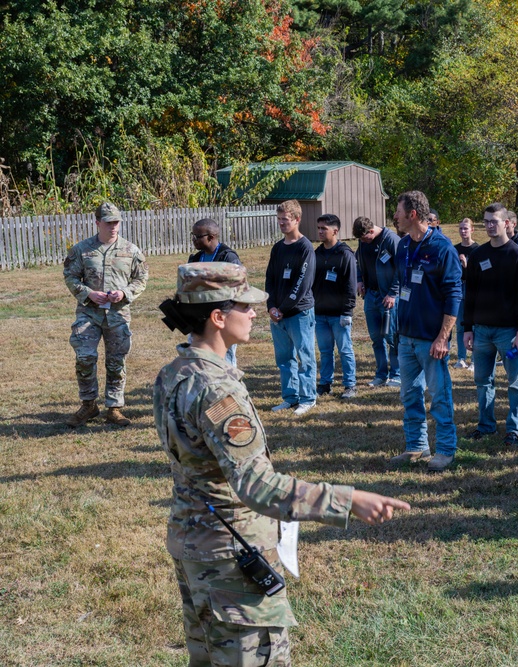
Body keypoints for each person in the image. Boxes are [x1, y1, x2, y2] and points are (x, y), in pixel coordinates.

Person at [154, 262, 410, 665]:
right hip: (230, 555)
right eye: (245, 306)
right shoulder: (217, 390)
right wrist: (348, 500)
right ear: (218, 318)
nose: (254, 313)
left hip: (194, 544)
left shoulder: (175, 372)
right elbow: (257, 485)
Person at [388, 191, 463, 472]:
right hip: (406, 336)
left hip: (432, 340)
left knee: (439, 397)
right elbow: (404, 286)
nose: (395, 216)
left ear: (412, 214)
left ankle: (445, 450)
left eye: (398, 211)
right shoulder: (404, 245)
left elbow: (454, 295)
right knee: (409, 396)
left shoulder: (443, 248)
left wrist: (443, 338)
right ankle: (416, 446)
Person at [63, 202, 148, 427]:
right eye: (108, 222)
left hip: (118, 315)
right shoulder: (82, 249)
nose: (113, 227)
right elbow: (70, 276)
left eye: (116, 222)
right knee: (84, 357)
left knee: (116, 361)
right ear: (98, 222)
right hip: (89, 313)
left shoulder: (131, 250)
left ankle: (114, 408)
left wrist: (124, 293)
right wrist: (89, 293)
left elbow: (141, 278)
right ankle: (88, 405)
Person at [463, 203, 518, 446]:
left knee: (516, 382)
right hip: (482, 331)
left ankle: (514, 429)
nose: (490, 225)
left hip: (509, 333)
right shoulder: (478, 255)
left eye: (494, 221)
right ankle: (486, 426)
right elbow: (470, 295)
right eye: (486, 221)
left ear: (507, 223)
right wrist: (468, 328)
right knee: (483, 381)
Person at [265, 200, 317, 416]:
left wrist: (284, 308)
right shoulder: (278, 248)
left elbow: (302, 283)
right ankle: (290, 397)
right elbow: (270, 278)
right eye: (279, 219)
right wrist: (271, 306)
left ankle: (308, 398)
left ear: (297, 219)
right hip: (277, 314)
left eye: (285, 219)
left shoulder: (305, 247)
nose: (281, 223)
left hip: (299, 313)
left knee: (305, 357)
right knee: (284, 359)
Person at [313, 214, 358, 400]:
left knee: (345, 350)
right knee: (325, 351)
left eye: (324, 228)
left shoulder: (345, 254)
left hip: (339, 314)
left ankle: (350, 385)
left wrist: (347, 311)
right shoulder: (316, 254)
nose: (320, 231)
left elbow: (351, 285)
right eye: (319, 228)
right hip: (320, 314)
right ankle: (325, 384)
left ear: (335, 231)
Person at [353, 215, 402, 387]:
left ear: (371, 230)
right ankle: (381, 374)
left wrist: (393, 293)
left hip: (388, 297)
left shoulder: (391, 240)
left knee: (392, 337)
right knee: (376, 338)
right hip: (371, 296)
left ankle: (397, 374)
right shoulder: (362, 242)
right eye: (361, 240)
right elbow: (358, 262)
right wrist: (359, 280)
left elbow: (401, 269)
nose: (363, 242)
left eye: (365, 238)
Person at [188, 217, 241, 366]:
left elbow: (238, 289)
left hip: (222, 318)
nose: (193, 240)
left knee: (224, 362)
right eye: (192, 235)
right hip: (200, 319)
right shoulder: (196, 258)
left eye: (197, 236)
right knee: (199, 360)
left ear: (211, 237)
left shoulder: (228, 257)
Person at [453, 217, 479, 371]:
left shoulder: (477, 250)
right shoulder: (455, 249)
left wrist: (466, 265)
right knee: (460, 324)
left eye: (466, 228)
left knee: (474, 325)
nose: (463, 231)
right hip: (458, 287)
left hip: (472, 288)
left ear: (472, 230)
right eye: (461, 228)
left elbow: (479, 274)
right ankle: (461, 358)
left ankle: (474, 360)